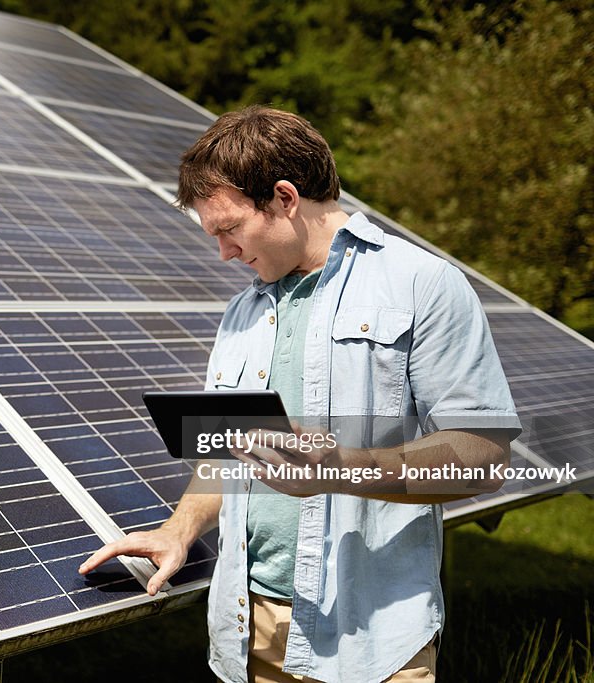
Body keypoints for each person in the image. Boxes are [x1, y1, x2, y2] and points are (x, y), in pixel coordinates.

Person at [78, 106, 520, 682]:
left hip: (373, 635)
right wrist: (178, 531)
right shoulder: (243, 311)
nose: (225, 253)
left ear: (285, 198)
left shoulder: (421, 284)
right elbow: (230, 455)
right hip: (247, 628)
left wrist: (341, 467)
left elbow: (483, 458)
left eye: (230, 229)